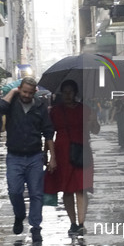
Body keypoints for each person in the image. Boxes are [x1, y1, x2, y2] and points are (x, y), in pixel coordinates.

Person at [0, 77, 55, 243]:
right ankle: (19, 215)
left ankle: (36, 227)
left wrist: (52, 157)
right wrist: (12, 93)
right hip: (14, 156)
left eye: (30, 93)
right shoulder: (12, 103)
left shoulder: (39, 106)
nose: (26, 95)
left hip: (34, 156)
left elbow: (48, 131)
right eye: (24, 91)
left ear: (34, 92)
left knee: (37, 194)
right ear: (19, 89)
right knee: (14, 191)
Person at [44, 80, 100, 235]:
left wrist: (93, 120)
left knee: (81, 188)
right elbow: (49, 134)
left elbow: (95, 130)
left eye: (70, 91)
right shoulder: (55, 111)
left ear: (76, 93)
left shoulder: (86, 109)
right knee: (67, 190)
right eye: (65, 92)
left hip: (82, 151)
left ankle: (81, 222)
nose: (67, 95)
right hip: (62, 152)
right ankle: (73, 223)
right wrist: (48, 155)